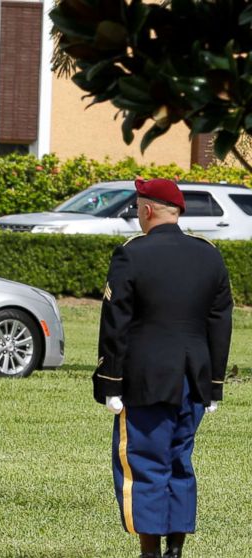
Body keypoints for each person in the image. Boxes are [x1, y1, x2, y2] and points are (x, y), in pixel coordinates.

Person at [94, 178, 232, 558]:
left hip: (145, 378)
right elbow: (220, 322)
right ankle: (175, 550)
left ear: (147, 210)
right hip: (194, 379)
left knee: (144, 463)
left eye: (138, 209)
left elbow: (115, 323)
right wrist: (214, 385)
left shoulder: (132, 254)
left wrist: (109, 383)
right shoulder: (210, 255)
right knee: (179, 463)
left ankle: (151, 553)